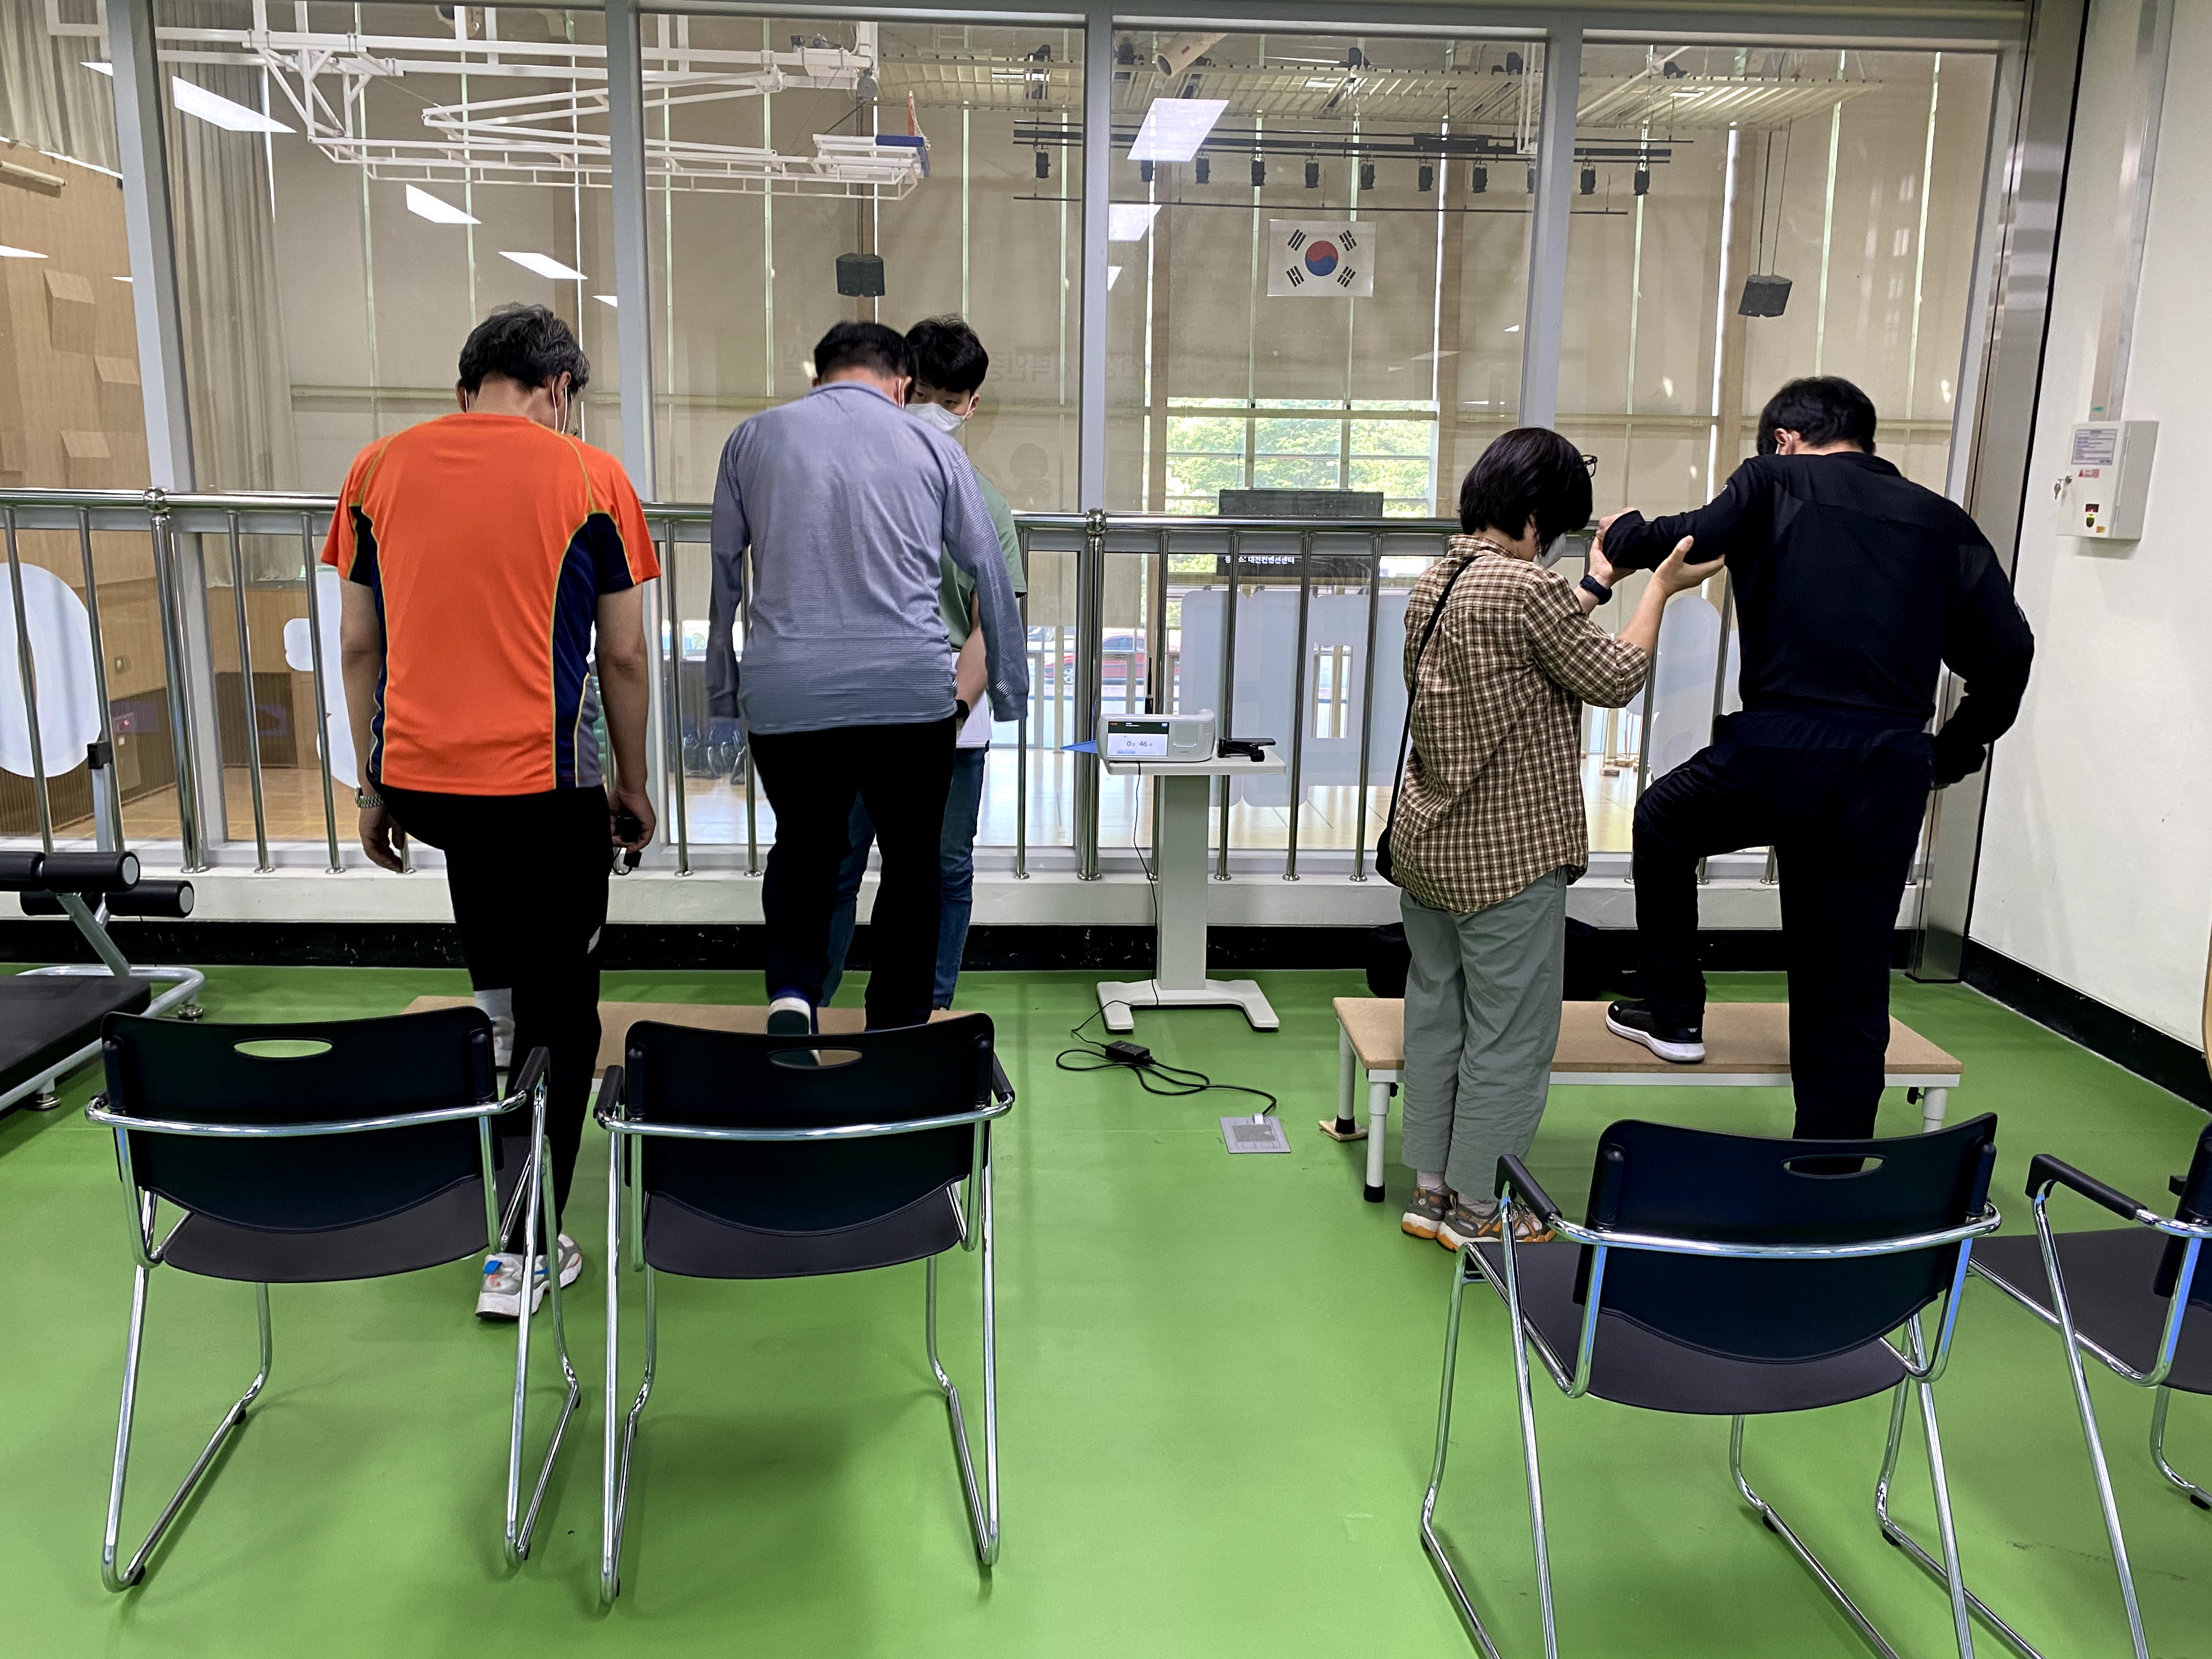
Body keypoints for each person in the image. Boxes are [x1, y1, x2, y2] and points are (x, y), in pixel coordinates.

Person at [1595, 375, 2035, 1139]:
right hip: (1888, 767)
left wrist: (1622, 533)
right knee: (1849, 979)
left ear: (1786, 438)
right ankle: (1830, 1172)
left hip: (1781, 750)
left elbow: (1687, 537)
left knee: (1664, 821)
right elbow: (2009, 654)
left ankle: (1674, 1014)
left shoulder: (1774, 480)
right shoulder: (1945, 522)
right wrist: (1948, 754)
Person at [330, 303, 657, 1319]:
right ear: (558, 389)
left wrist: (373, 784)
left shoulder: (374, 470)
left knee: (503, 983)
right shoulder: (591, 477)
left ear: (467, 384)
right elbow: (624, 655)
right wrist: (632, 784)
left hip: (430, 787)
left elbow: (359, 643)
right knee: (569, 1009)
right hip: (544, 793)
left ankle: (503, 1056)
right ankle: (522, 1249)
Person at [1390, 430, 1718, 1251]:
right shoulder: (1527, 589)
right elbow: (1614, 676)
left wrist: (1600, 583)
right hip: (1507, 854)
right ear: (1537, 519)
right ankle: (1480, 1208)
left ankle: (1431, 1192)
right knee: (1511, 1035)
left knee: (1436, 1016)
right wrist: (1659, 590)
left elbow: (1529, 641)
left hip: (1429, 845)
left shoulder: (1440, 579)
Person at [707, 320, 1027, 1034]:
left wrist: (723, 689)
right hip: (908, 693)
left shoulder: (752, 439)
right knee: (915, 865)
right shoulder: (935, 451)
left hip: (790, 689)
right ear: (901, 383)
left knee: (806, 849)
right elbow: (989, 571)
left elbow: (725, 569)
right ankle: (898, 1028)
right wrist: (1008, 694)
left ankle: (794, 994)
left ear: (818, 375)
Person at [821, 316, 1027, 1012]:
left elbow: (991, 628)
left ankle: (923, 1011)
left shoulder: (982, 505)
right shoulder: (852, 490)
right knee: (851, 869)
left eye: (949, 400)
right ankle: (821, 1009)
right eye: (925, 396)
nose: (935, 411)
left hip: (933, 722)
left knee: (928, 870)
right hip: (872, 714)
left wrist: (953, 710)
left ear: (970, 405)